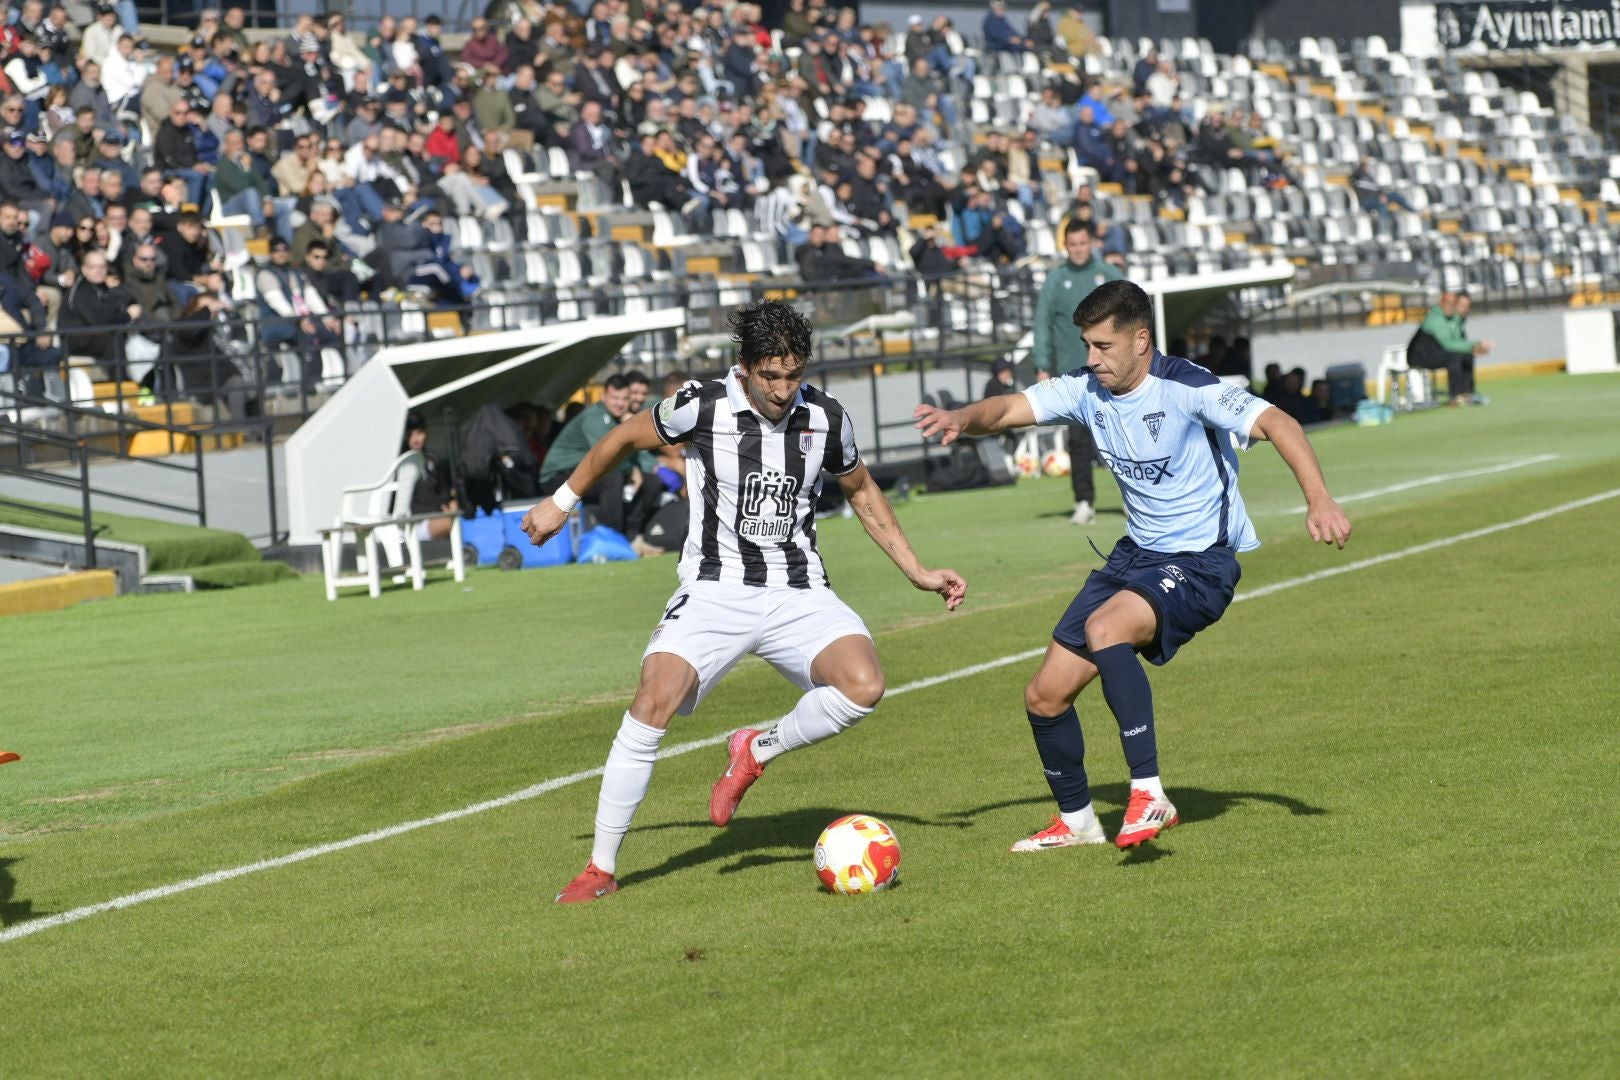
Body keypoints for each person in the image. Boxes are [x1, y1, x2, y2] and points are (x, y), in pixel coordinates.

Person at [525, 300, 966, 903]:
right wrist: (562, 501)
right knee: (652, 700)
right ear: (744, 367)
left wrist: (915, 569)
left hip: (797, 589)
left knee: (864, 685)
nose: (784, 390)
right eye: (770, 377)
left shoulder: (827, 417)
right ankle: (601, 867)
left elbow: (859, 487)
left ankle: (756, 749)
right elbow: (627, 435)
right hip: (715, 589)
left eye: (793, 375)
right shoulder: (699, 404)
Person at [914, 280, 1350, 851]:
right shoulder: (1086, 390)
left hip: (1199, 564)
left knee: (1105, 629)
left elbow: (1279, 423)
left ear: (1141, 340)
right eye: (1086, 346)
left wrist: (1318, 499)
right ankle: (1077, 820)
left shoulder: (1188, 387)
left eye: (1102, 346)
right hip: (1135, 558)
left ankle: (1148, 793)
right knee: (1044, 696)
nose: (1091, 359)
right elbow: (1007, 411)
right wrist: (962, 416)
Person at [1032, 221, 1121, 526]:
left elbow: (1132, 317)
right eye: (1073, 245)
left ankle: (1137, 499)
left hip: (1113, 371)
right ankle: (1084, 501)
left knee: (1124, 437)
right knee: (1079, 442)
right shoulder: (1056, 280)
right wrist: (1042, 366)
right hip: (1074, 378)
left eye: (1083, 243)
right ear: (1065, 246)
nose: (1078, 249)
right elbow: (1042, 325)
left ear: (1092, 242)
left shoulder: (1108, 276)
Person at [538, 372, 663, 540]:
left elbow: (633, 455)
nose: (620, 403)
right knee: (612, 477)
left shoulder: (617, 418)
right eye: (615, 398)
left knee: (652, 482)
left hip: (583, 472)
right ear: (604, 397)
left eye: (625, 399)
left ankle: (634, 536)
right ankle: (611, 536)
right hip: (556, 476)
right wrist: (632, 471)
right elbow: (604, 458)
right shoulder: (594, 417)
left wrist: (648, 469)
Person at [1408, 290, 1489, 406]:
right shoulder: (1435, 318)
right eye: (1448, 303)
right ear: (1441, 303)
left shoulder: (1454, 318)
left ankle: (1468, 393)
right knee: (1453, 357)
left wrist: (1472, 348)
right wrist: (1474, 344)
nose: (1450, 307)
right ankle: (1455, 396)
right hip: (1418, 356)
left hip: (1436, 353)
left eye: (1453, 304)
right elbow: (1448, 344)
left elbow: (1457, 342)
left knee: (1466, 354)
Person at [402, 410, 458, 540]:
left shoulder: (434, 460)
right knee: (446, 523)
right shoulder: (399, 464)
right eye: (410, 434)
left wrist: (450, 502)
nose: (415, 440)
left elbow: (444, 490)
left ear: (426, 433)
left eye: (419, 433)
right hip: (414, 524)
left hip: (436, 516)